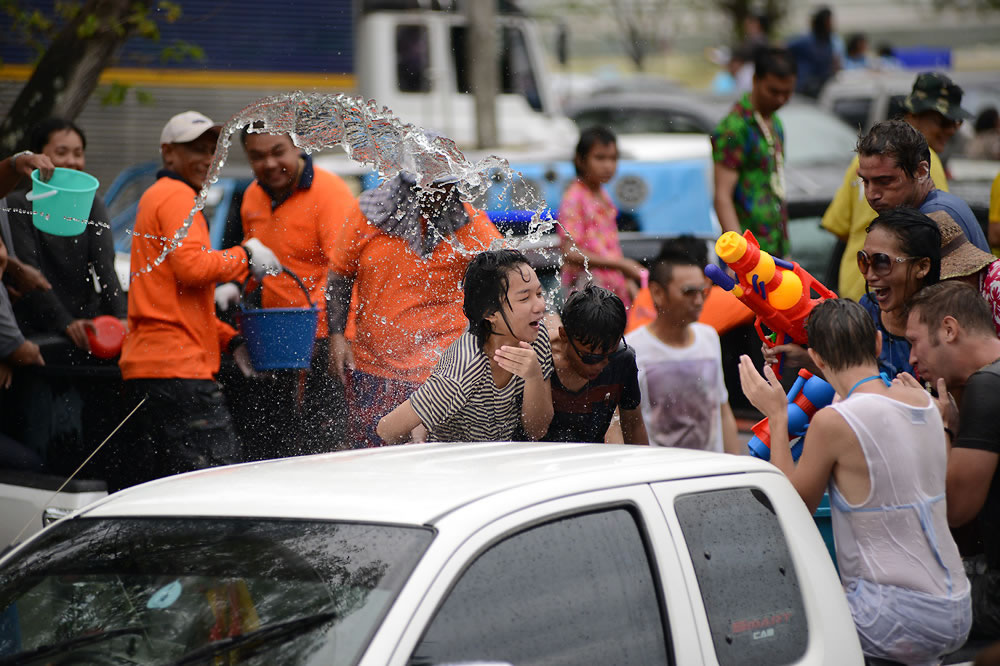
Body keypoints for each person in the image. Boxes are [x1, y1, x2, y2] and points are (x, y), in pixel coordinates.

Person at [740, 298, 971, 664]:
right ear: (877, 343)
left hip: (892, 615)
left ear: (817, 358)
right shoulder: (923, 402)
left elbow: (793, 507)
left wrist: (777, 415)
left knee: (768, 634)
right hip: (956, 603)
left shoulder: (834, 422)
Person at [118, 111, 281, 487]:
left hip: (155, 367)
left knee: (166, 483)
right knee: (214, 480)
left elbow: (175, 300)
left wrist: (230, 340)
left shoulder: (157, 196)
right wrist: (245, 254)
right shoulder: (178, 196)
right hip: (179, 370)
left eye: (212, 150)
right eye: (196, 149)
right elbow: (192, 267)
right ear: (168, 152)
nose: (207, 159)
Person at [326, 157, 502, 449]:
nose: (439, 197)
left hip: (443, 374)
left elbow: (504, 276)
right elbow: (340, 276)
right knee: (373, 459)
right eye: (430, 188)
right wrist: (337, 336)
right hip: (374, 368)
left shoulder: (468, 222)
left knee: (439, 462)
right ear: (408, 185)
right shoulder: (368, 214)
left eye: (446, 188)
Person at [231, 126, 364, 457]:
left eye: (278, 152)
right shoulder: (252, 196)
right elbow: (256, 265)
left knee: (326, 444)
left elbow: (345, 272)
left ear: (298, 147)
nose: (269, 163)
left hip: (324, 338)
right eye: (257, 156)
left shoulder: (329, 193)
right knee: (279, 444)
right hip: (274, 339)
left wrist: (341, 337)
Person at [376, 249, 553, 444]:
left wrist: (534, 376)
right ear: (490, 313)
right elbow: (386, 430)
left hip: (497, 457)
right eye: (524, 298)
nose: (540, 306)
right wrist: (418, 449)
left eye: (539, 293)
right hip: (452, 460)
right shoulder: (466, 365)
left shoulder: (535, 337)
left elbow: (537, 431)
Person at [904, 281, 1000, 640]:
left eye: (914, 342)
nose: (911, 359)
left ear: (948, 329)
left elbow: (956, 509)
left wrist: (940, 425)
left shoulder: (987, 386)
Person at [822, 75, 974, 301]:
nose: (952, 130)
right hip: (871, 302)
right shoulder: (872, 161)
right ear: (913, 115)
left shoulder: (936, 202)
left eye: (957, 122)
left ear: (921, 173)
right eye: (943, 121)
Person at [6, 118, 126, 352]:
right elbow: (27, 270)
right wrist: (65, 323)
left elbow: (105, 266)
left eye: (78, 154)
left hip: (88, 324)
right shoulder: (17, 205)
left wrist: (122, 317)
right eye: (61, 153)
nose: (72, 161)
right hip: (32, 330)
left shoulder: (92, 203)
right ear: (38, 157)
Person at [626, 240, 739, 453]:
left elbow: (723, 411)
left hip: (713, 468)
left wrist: (737, 466)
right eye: (689, 292)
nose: (698, 301)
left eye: (703, 292)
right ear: (657, 293)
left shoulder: (709, 337)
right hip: (661, 471)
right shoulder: (632, 350)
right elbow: (629, 426)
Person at [712, 46, 797, 258]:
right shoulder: (735, 127)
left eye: (787, 93)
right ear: (755, 80)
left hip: (776, 246)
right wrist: (739, 256)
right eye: (774, 91)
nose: (780, 100)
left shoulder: (775, 122)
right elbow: (722, 196)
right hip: (748, 253)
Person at [541, 285, 647, 444]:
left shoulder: (623, 359)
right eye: (591, 358)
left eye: (610, 355)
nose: (601, 365)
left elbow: (633, 426)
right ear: (564, 335)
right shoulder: (540, 356)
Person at [558, 126, 644, 306]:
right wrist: (620, 265)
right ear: (580, 160)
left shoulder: (602, 195)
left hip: (611, 291)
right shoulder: (574, 198)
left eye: (613, 158)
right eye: (600, 158)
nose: (608, 166)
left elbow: (609, 246)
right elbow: (570, 252)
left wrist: (626, 280)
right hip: (588, 295)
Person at [786, 7, 842, 98]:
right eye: (829, 21)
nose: (831, 24)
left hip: (822, 89)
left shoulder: (828, 42)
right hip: (804, 89)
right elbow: (783, 49)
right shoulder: (806, 40)